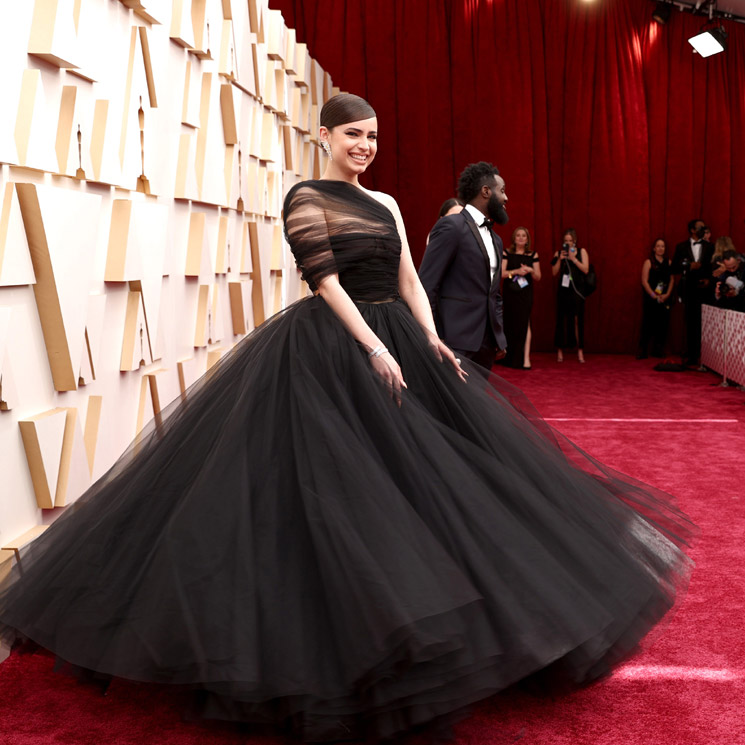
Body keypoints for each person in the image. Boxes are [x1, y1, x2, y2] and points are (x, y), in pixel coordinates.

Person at [0, 93, 694, 743]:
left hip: (400, 342)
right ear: (323, 135)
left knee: (441, 484)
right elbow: (324, 279)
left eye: (372, 137)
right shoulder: (304, 196)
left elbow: (410, 281)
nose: (363, 146)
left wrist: (428, 342)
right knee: (331, 495)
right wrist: (371, 346)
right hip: (332, 348)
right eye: (352, 135)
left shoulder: (387, 202)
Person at [419, 161, 509, 370]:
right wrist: (433, 336)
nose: (506, 198)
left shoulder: (496, 239)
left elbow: (494, 294)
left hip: (486, 344)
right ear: (486, 191)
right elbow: (427, 286)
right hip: (453, 341)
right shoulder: (452, 226)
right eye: (502, 191)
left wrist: (499, 336)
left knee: (476, 402)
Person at [672, 218, 714, 366]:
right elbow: (675, 268)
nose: (704, 230)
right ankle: (692, 355)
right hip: (688, 290)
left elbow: (713, 267)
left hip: (705, 289)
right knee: (690, 322)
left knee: (705, 323)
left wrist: (709, 279)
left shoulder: (710, 247)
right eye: (701, 227)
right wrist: (689, 266)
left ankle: (707, 356)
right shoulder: (681, 246)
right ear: (692, 230)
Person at [501, 226, 541, 369]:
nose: (521, 238)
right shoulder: (506, 252)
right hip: (510, 293)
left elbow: (538, 276)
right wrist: (516, 272)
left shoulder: (532, 255)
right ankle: (509, 357)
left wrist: (530, 270)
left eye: (523, 236)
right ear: (514, 238)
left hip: (525, 294)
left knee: (525, 323)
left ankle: (525, 359)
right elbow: (502, 273)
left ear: (527, 239)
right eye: (518, 235)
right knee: (510, 323)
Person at [552, 229, 590, 363]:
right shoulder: (559, 253)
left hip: (577, 290)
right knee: (561, 320)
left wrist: (573, 259)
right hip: (563, 290)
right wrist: (560, 259)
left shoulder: (581, 252)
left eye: (570, 241)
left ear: (575, 241)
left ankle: (580, 350)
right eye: (565, 241)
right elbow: (554, 272)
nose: (568, 243)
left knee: (577, 320)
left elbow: (586, 269)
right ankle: (560, 350)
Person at [637, 238, 673, 359]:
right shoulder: (649, 262)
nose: (660, 248)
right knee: (648, 323)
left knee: (662, 324)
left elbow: (672, 280)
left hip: (665, 298)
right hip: (651, 298)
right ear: (654, 248)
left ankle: (658, 349)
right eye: (658, 246)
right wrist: (653, 296)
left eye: (662, 246)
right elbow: (644, 281)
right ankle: (643, 350)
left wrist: (667, 294)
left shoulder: (669, 262)